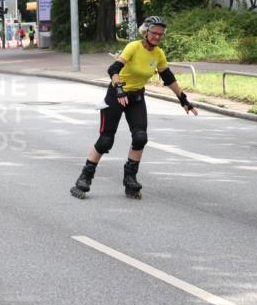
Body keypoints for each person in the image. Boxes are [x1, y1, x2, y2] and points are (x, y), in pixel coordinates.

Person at [70, 16, 198, 200]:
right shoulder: (133, 47)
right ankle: (85, 177)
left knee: (140, 137)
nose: (157, 37)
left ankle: (130, 179)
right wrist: (120, 90)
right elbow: (113, 69)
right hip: (116, 96)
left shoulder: (158, 54)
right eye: (154, 33)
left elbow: (168, 77)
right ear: (145, 32)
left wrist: (183, 98)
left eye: (160, 34)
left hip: (136, 97)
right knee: (106, 140)